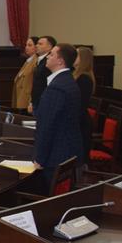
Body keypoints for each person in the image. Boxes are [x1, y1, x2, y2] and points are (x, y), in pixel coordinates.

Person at [33, 43, 84, 190]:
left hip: (56, 155)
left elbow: (48, 125)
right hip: (66, 150)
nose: (48, 57)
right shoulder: (67, 80)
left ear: (60, 61)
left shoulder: (58, 87)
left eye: (51, 54)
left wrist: (40, 158)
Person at [73, 46, 96, 162]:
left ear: (83, 59)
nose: (73, 57)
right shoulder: (76, 75)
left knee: (79, 158)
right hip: (78, 119)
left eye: (76, 55)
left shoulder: (84, 78)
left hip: (81, 123)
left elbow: (80, 104)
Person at [28, 35, 56, 114]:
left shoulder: (49, 61)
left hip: (43, 102)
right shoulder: (40, 59)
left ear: (49, 47)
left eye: (40, 44)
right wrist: (32, 101)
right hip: (37, 101)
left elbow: (45, 84)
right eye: (37, 43)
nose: (37, 46)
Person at [12, 36, 39, 110]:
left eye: (30, 45)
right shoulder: (28, 60)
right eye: (26, 45)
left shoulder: (36, 61)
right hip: (21, 95)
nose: (26, 47)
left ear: (36, 47)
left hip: (27, 98)